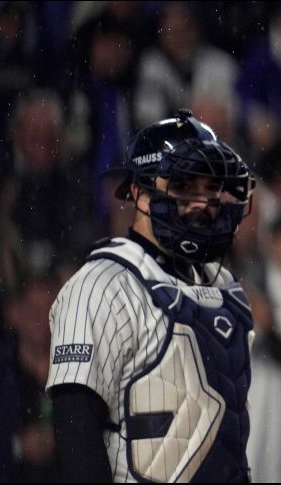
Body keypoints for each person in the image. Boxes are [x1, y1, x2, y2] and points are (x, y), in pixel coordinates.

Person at [45, 110, 256, 482]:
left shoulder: (226, 287)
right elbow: (76, 436)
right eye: (185, 186)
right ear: (140, 193)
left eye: (210, 188)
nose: (202, 203)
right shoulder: (102, 284)